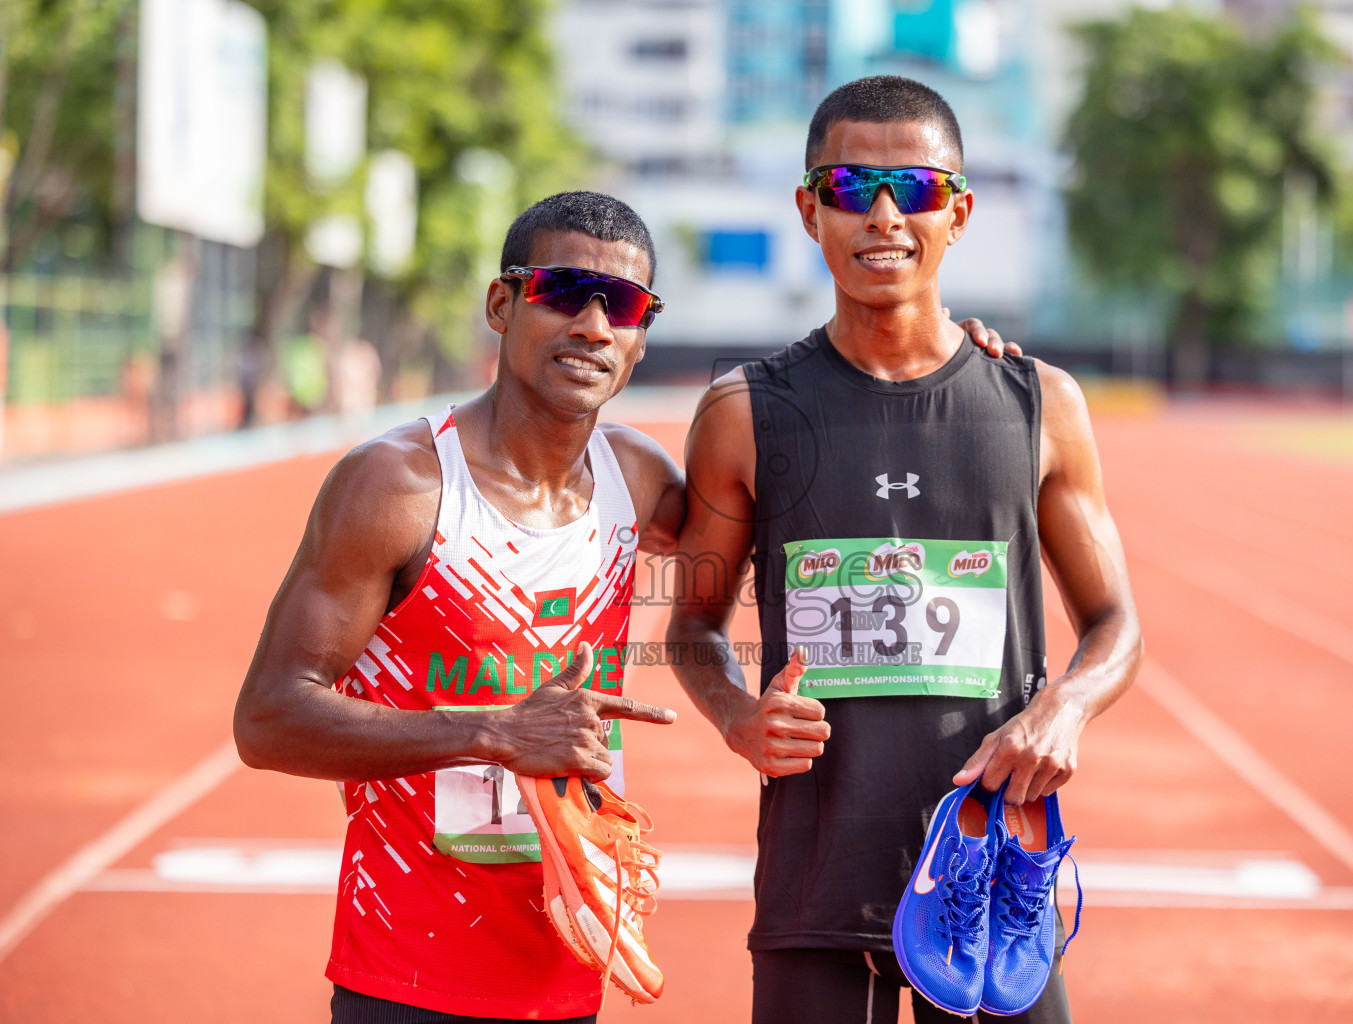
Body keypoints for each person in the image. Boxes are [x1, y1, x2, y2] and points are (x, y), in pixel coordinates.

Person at [666, 76, 1143, 1024]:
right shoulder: (743, 413)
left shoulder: (1040, 404)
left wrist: (1065, 710)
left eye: (916, 188)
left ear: (957, 212)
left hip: (992, 883)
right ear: (810, 208)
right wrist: (734, 716)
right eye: (851, 187)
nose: (884, 214)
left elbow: (1114, 622)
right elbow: (691, 628)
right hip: (816, 880)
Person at [233, 191, 686, 1024]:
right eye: (562, 292)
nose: (592, 325)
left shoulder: (641, 480)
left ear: (641, 335)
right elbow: (266, 719)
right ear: (501, 304)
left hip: (572, 956)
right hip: (409, 974)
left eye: (621, 304)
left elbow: (770, 518)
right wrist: (496, 732)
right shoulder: (398, 485)